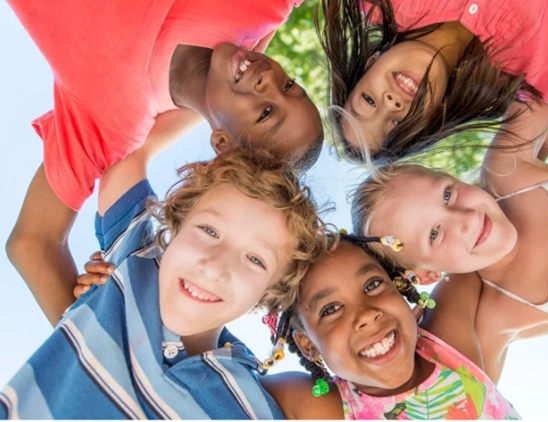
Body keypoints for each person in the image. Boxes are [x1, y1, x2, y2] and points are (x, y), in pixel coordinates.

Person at [6, 0, 324, 325]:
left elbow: (32, 244)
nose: (269, 79)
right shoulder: (262, 10)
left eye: (266, 112)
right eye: (290, 86)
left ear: (224, 146)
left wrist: (98, 342)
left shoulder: (110, 123)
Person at [0, 132, 332, 418]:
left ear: (270, 292)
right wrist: (216, 94)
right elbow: (125, 136)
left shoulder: (258, 407)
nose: (214, 266)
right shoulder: (133, 260)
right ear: (178, 221)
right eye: (209, 230)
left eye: (255, 260)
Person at [349, 101, 548, 383]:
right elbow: (477, 395)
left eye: (447, 195)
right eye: (434, 234)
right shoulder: (500, 315)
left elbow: (543, 77)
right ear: (427, 274)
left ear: (452, 177)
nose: (466, 218)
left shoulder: (509, 174)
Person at [317, 0, 548, 162]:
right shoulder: (535, 70)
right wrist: (544, 145)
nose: (392, 104)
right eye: (397, 125)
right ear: (432, 117)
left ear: (370, 63)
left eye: (368, 101)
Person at [260, 237, 521, 419]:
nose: (366, 314)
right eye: (331, 309)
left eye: (372, 285)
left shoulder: (446, 347)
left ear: (399, 286)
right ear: (309, 345)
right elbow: (225, 382)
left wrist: (420, 258)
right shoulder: (327, 408)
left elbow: (475, 253)